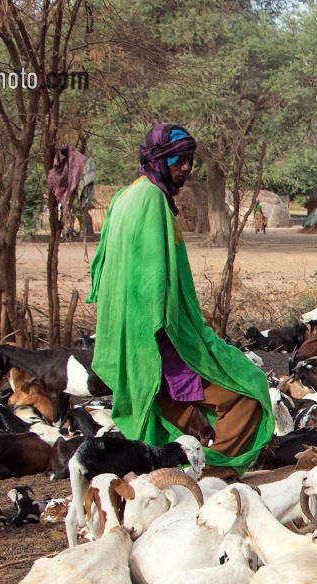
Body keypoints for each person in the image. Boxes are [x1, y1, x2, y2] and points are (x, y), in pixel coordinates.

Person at [87, 123, 272, 478]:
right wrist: (173, 332)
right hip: (161, 334)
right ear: (158, 159)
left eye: (189, 160)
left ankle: (170, 469)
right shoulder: (152, 199)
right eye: (178, 159)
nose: (186, 167)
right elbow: (155, 275)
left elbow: (102, 267)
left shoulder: (124, 197)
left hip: (132, 334)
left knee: (167, 405)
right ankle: (215, 472)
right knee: (249, 388)